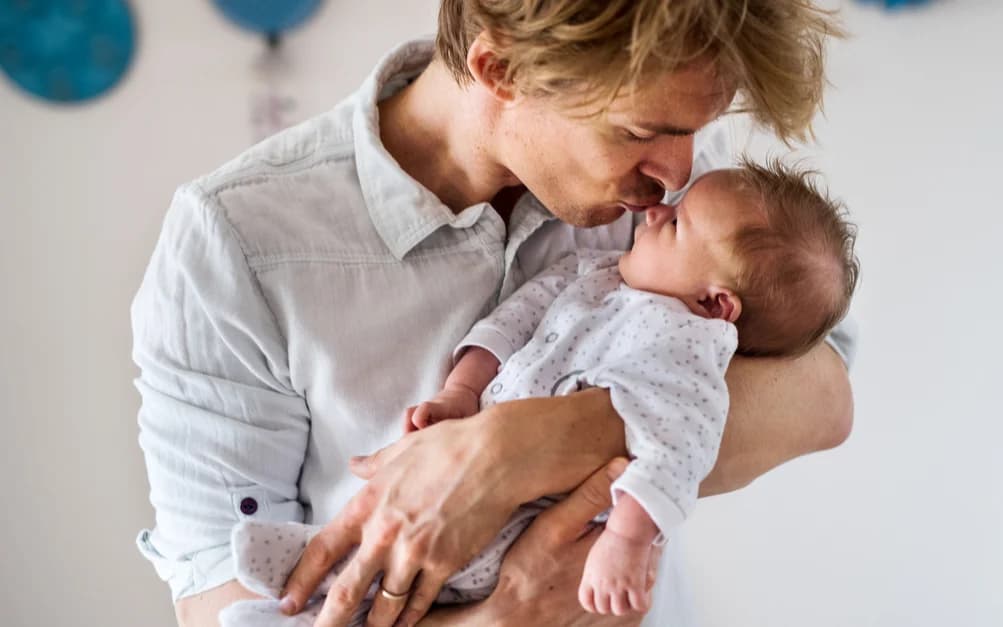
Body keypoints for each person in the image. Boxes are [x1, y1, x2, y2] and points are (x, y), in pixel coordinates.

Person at [132, 2, 857, 626]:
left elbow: (824, 399)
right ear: (500, 70)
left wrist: (523, 445)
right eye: (637, 132)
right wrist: (501, 616)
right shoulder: (236, 242)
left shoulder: (683, 200)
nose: (676, 172)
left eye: (695, 129)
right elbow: (217, 602)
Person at [218, 164, 859, 624]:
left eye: (678, 221)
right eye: (638, 132)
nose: (660, 200)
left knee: (443, 571)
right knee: (397, 557)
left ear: (715, 301)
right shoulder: (597, 274)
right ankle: (309, 587)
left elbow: (677, 448)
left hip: (539, 518)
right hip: (481, 488)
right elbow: (513, 323)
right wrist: (462, 393)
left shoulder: (691, 348)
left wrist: (627, 541)